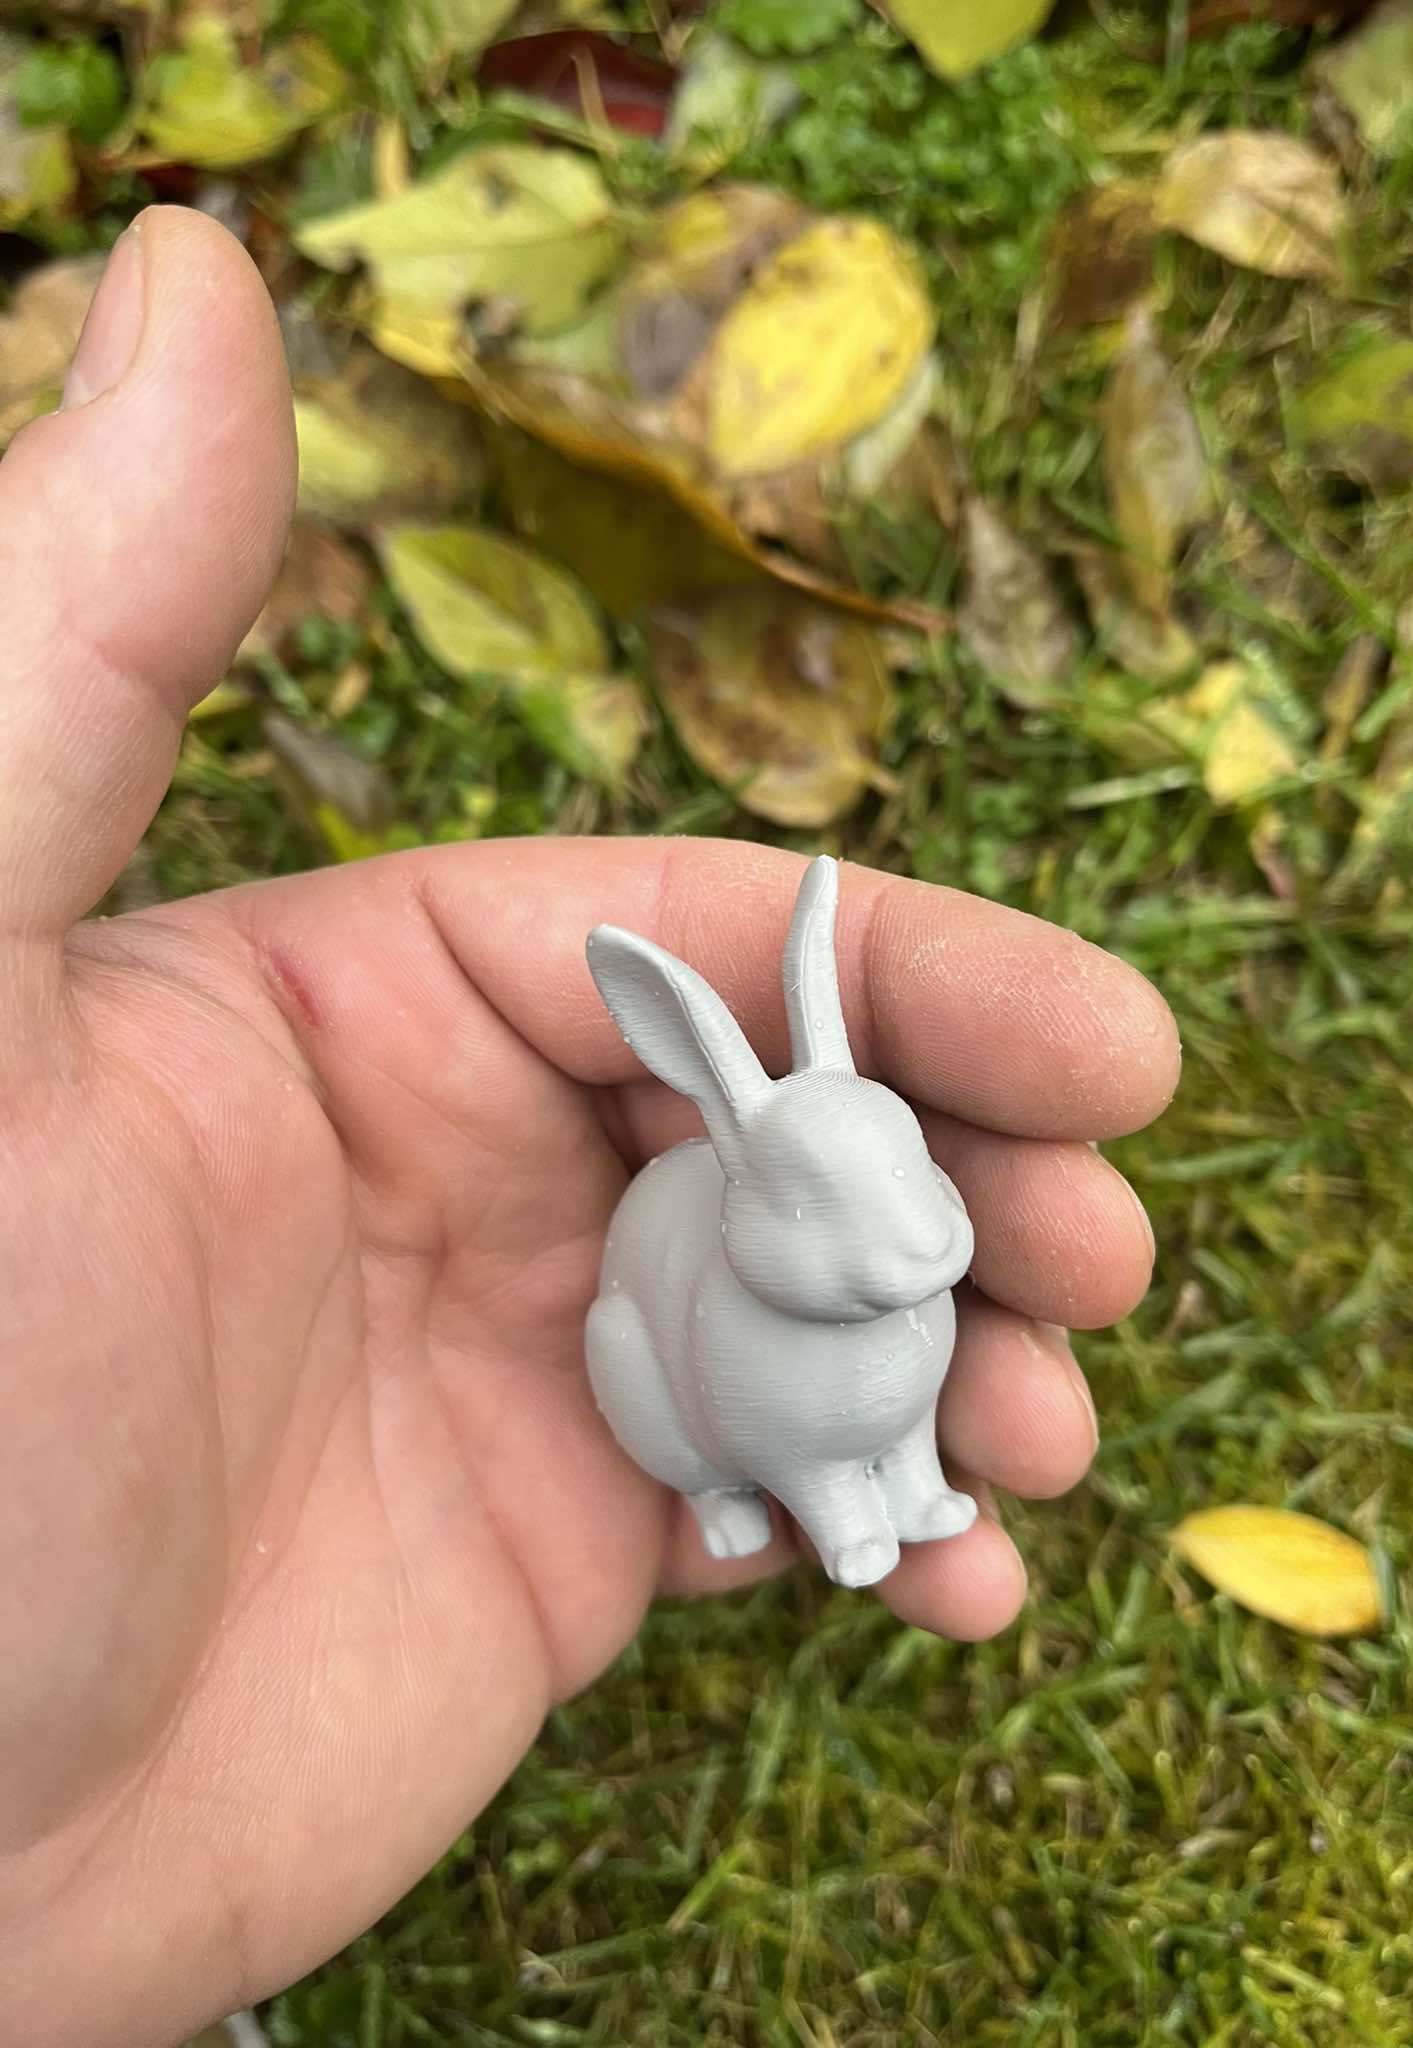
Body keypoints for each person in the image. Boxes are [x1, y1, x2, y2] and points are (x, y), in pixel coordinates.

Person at [0, 210, 1180, 2047]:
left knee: (915, 1421)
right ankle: (784, 1499)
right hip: (713, 1397)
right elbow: (737, 1357)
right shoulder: (735, 1247)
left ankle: (898, 1486)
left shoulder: (892, 1254)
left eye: (902, 1184)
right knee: (701, 1384)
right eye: (850, 1209)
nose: (919, 1240)